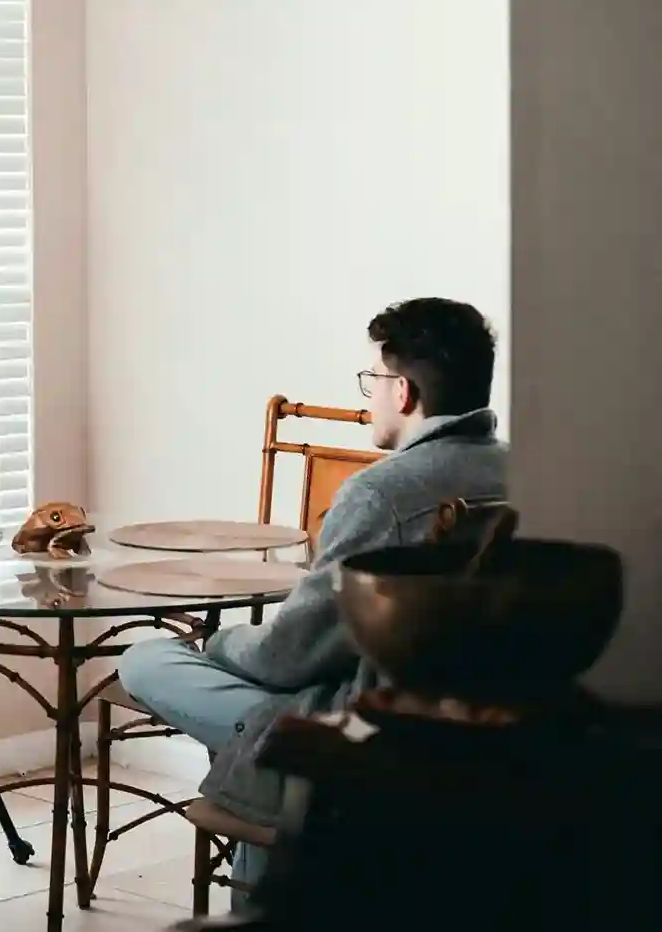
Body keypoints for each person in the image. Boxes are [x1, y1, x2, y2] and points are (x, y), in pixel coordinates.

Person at [116, 297, 507, 908]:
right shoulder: (526, 473)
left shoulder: (383, 493)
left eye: (373, 380)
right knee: (269, 731)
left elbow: (286, 657)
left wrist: (216, 642)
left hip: (362, 722)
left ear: (403, 392)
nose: (370, 397)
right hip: (469, 716)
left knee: (146, 659)